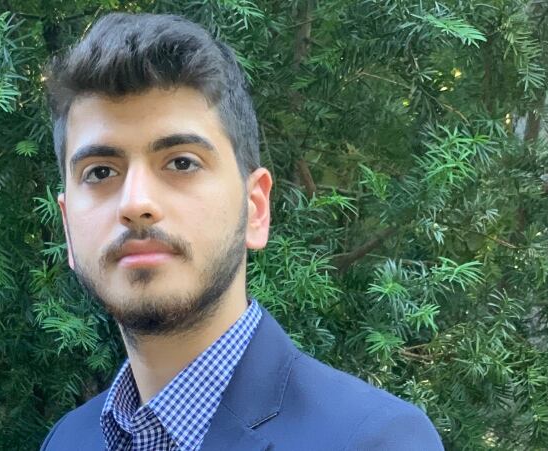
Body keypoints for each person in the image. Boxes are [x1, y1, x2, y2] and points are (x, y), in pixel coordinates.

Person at [40, 12, 443, 451]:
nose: (136, 203)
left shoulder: (375, 440)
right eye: (100, 172)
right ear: (67, 226)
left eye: (181, 162)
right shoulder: (68, 440)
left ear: (255, 209)